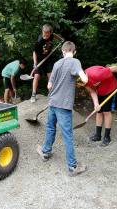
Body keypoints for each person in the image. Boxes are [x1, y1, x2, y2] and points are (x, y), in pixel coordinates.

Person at [36, 41, 88, 177]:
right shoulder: (75, 62)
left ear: (63, 52)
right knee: (68, 135)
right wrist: (83, 77)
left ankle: (46, 152)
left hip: (53, 102)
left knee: (50, 127)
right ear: (74, 51)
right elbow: (85, 79)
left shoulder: (57, 64)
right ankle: (72, 167)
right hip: (64, 105)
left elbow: (49, 85)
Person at [82, 65, 117, 147]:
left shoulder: (97, 74)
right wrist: (96, 104)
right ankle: (98, 135)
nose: (85, 84)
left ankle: (107, 137)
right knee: (99, 111)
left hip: (110, 88)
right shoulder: (83, 81)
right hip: (100, 91)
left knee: (106, 111)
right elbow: (92, 92)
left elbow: (115, 68)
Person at [30, 24, 64, 103]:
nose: (45, 35)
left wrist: (61, 39)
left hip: (48, 59)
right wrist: (35, 63)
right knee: (37, 76)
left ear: (50, 32)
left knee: (50, 75)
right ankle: (33, 94)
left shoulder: (51, 35)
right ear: (42, 32)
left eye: (47, 34)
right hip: (39, 60)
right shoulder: (39, 40)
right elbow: (34, 52)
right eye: (44, 33)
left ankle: (50, 93)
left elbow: (54, 35)